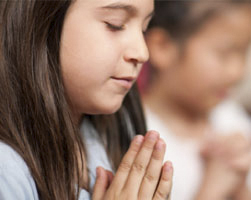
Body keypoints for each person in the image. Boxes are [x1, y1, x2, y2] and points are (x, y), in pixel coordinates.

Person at [0, 0, 173, 199]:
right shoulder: (6, 171)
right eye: (115, 24)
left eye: (144, 29)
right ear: (39, 22)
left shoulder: (110, 135)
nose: (142, 53)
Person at [139, 0, 251, 199]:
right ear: (163, 47)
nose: (239, 72)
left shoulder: (233, 119)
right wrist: (212, 190)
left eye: (245, 52)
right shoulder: (135, 137)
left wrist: (240, 185)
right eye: (224, 54)